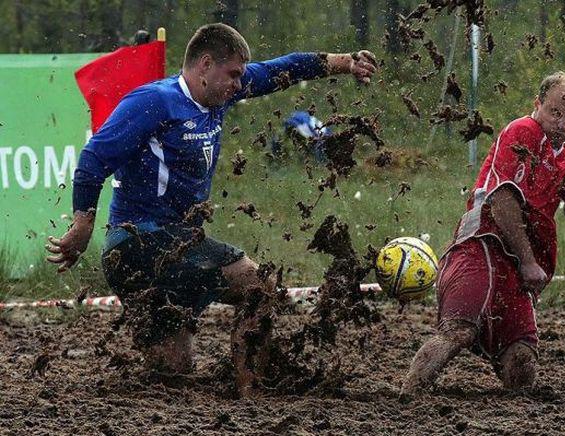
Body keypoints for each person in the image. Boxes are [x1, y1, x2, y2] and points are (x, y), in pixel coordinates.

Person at [45, 23, 377, 397]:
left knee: (174, 372)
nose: (239, 84)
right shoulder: (154, 101)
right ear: (205, 65)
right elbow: (93, 159)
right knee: (259, 285)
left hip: (170, 249)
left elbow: (279, 70)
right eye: (233, 74)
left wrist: (345, 63)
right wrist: (82, 226)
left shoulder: (220, 94)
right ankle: (253, 392)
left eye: (240, 76)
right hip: (143, 244)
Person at [400, 72, 565, 398]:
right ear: (538, 104)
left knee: (522, 357)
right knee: (458, 331)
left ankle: (513, 409)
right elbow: (502, 201)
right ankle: (408, 400)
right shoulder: (522, 132)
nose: (561, 124)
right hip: (483, 244)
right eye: (555, 112)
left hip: (516, 262)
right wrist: (529, 262)